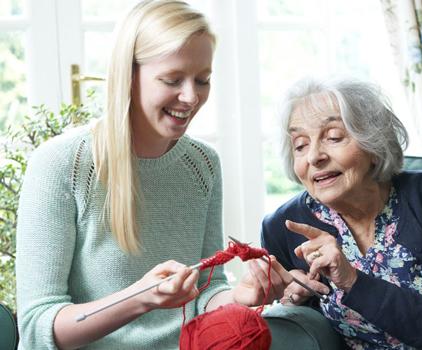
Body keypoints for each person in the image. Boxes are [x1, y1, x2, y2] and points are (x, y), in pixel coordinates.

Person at [16, 1, 288, 349]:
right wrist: (140, 299)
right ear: (128, 75)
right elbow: (39, 328)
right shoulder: (62, 164)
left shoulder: (203, 164)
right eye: (172, 79)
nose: (191, 97)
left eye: (203, 80)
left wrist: (240, 295)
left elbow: (206, 292)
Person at [260, 77, 422, 349]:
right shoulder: (283, 228)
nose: (314, 157)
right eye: (300, 145)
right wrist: (290, 299)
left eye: (333, 137)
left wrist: (353, 281)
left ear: (374, 145)